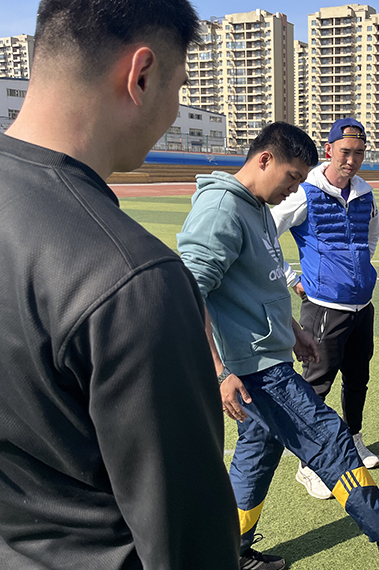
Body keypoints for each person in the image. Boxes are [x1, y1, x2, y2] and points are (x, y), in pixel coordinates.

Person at [0, 1, 240, 568]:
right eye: (179, 87)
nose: (174, 110)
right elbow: (190, 541)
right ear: (142, 75)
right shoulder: (135, 280)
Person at [177, 122, 379, 570]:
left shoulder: (257, 207)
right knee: (327, 437)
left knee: (255, 458)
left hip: (267, 355)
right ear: (265, 159)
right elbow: (189, 293)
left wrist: (292, 330)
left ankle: (230, 553)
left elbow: (258, 286)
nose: (295, 188)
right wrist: (219, 371)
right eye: (292, 177)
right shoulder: (222, 208)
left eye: (302, 179)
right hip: (255, 369)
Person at [270, 118, 379, 501]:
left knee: (358, 378)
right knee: (317, 385)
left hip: (361, 306)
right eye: (345, 152)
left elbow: (371, 235)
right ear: (330, 149)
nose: (352, 160)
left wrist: (360, 268)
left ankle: (354, 438)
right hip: (323, 307)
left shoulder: (365, 193)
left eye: (359, 153)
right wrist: (291, 277)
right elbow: (267, 231)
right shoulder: (306, 192)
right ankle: (308, 463)